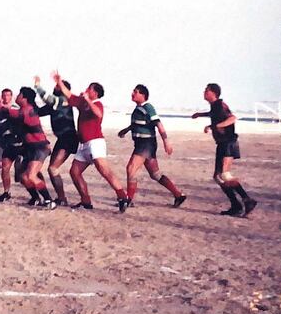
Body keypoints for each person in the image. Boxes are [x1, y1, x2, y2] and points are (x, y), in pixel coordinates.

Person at [53, 72, 129, 212]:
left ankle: (122, 196)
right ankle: (85, 200)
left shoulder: (97, 104)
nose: (87, 90)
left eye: (89, 89)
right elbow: (68, 94)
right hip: (83, 145)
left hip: (95, 143)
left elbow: (98, 114)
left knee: (104, 170)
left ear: (95, 92)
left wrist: (87, 100)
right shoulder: (81, 102)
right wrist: (59, 82)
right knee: (74, 172)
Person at [192, 83, 257, 217]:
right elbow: (214, 114)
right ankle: (236, 205)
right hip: (222, 144)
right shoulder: (214, 107)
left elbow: (232, 118)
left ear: (213, 93)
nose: (204, 92)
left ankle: (247, 200)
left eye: (206, 90)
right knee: (217, 177)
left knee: (225, 175)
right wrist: (200, 115)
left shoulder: (220, 105)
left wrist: (215, 126)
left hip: (229, 142)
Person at [118, 84, 186, 208]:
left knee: (131, 169)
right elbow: (137, 124)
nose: (133, 93)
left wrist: (166, 141)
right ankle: (178, 195)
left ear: (143, 95)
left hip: (146, 144)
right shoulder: (138, 109)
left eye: (136, 92)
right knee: (155, 175)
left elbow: (159, 125)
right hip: (141, 144)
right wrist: (126, 130)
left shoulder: (148, 107)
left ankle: (128, 199)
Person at [0, 87, 56, 209]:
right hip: (30, 148)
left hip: (39, 147)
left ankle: (49, 200)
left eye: (19, 95)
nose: (17, 96)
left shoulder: (28, 110)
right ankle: (35, 198)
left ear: (24, 98)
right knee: (24, 177)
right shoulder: (25, 110)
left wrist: (2, 107)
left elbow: (16, 114)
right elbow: (9, 116)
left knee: (31, 176)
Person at [34, 75, 77, 206]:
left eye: (58, 85)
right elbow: (37, 112)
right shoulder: (55, 104)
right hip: (62, 139)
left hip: (68, 138)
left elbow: (48, 99)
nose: (54, 87)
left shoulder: (64, 100)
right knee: (52, 170)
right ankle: (61, 198)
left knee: (53, 169)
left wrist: (37, 86)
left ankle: (63, 198)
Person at [0, 89, 25, 203]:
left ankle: (37, 195)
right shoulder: (0, 112)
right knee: (5, 169)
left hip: (19, 144)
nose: (5, 97)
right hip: (8, 145)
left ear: (11, 96)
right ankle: (6, 192)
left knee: (27, 174)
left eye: (8, 95)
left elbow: (18, 118)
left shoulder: (15, 108)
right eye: (3, 95)